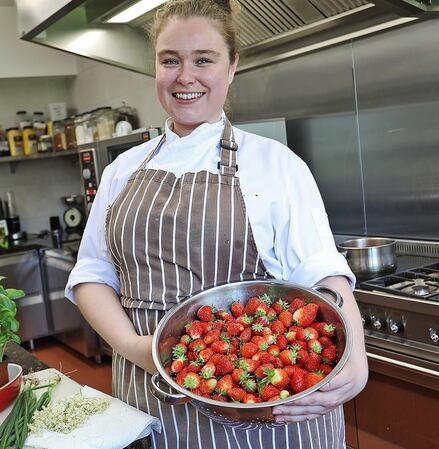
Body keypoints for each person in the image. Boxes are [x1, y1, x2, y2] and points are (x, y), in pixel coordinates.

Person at [65, 0, 368, 447]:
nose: (185, 76)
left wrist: (356, 356)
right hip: (151, 397)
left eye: (203, 60)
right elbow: (92, 274)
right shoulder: (121, 172)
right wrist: (136, 349)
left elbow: (322, 271)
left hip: (265, 403)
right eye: (170, 60)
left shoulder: (274, 164)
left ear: (231, 67)